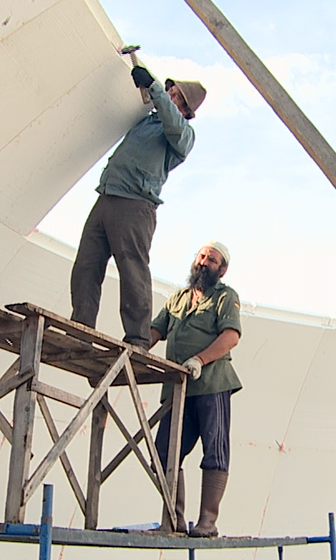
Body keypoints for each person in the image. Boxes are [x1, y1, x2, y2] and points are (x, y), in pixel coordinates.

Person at [70, 65, 207, 348]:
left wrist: (154, 88)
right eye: (170, 91)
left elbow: (173, 124)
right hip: (108, 196)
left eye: (176, 96)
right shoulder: (146, 121)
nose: (169, 95)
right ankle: (80, 330)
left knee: (132, 270)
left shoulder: (183, 133)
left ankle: (138, 338)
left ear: (185, 110)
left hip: (135, 205)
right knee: (86, 266)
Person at [149, 241, 242, 537]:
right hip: (177, 389)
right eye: (201, 257)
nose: (203, 262)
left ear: (222, 270)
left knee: (214, 451)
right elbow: (154, 331)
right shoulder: (178, 298)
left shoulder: (225, 297)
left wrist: (200, 360)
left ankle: (207, 522)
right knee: (164, 453)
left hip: (211, 384)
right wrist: (134, 348)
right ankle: (174, 518)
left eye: (211, 260)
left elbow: (231, 336)